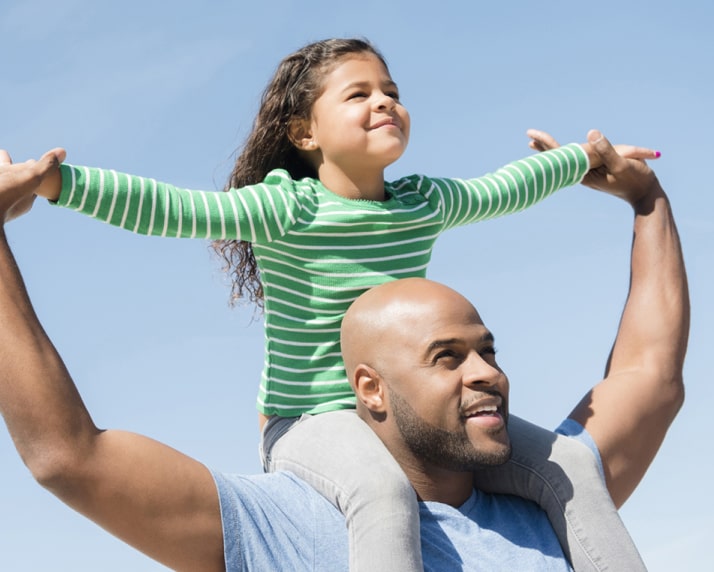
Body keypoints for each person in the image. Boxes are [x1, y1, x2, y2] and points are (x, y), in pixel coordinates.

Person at [27, 38, 660, 571]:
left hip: (409, 411)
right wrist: (55, 182)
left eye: (391, 91)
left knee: (571, 462)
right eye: (357, 94)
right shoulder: (287, 208)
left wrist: (585, 158)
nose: (384, 100)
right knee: (382, 494)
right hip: (311, 419)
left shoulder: (422, 203)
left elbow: (504, 188)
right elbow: (176, 210)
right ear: (304, 132)